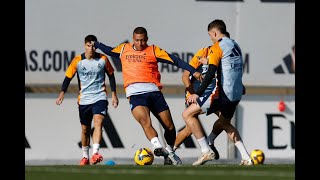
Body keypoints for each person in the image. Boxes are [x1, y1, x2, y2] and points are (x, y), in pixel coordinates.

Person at [92, 27, 202, 165]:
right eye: (137, 40)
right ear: (133, 39)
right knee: (145, 121)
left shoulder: (154, 50)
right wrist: (96, 44)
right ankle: (157, 147)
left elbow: (175, 60)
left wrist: (194, 71)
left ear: (147, 39)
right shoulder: (123, 49)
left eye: (143, 40)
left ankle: (170, 152)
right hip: (135, 93)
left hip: (154, 92)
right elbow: (108, 50)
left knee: (170, 127)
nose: (140, 43)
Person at [187, 19, 253, 166]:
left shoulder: (217, 47)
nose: (210, 38)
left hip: (222, 92)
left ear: (215, 32)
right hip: (235, 93)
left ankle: (206, 150)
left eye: (210, 35)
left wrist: (198, 93)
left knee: (187, 114)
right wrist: (240, 84)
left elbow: (211, 73)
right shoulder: (235, 45)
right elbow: (232, 67)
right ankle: (246, 157)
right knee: (224, 122)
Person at [55, 34, 119, 166]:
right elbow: (67, 78)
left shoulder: (103, 59)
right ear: (85, 46)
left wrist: (114, 94)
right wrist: (62, 94)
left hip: (100, 96)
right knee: (85, 130)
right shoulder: (77, 61)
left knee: (98, 122)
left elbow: (111, 76)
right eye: (89, 45)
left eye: (93, 46)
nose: (91, 48)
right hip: (84, 99)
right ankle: (85, 157)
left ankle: (95, 153)